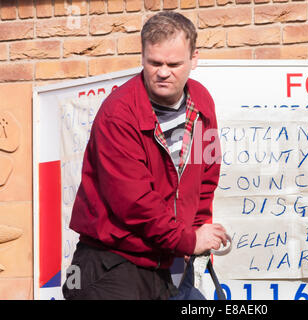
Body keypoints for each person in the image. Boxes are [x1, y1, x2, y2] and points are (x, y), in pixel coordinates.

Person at [62, 11, 228, 300]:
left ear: (194, 59)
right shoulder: (118, 114)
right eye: (155, 62)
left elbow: (206, 176)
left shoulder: (202, 103)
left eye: (174, 64)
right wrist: (189, 240)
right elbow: (136, 204)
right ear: (142, 57)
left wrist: (198, 230)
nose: (163, 72)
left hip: (169, 258)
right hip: (112, 262)